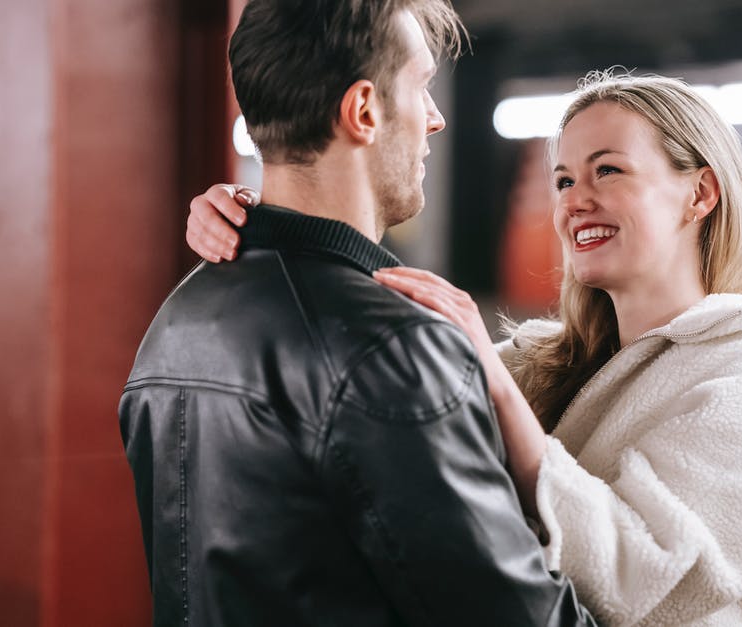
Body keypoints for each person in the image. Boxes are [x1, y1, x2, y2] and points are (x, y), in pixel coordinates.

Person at [186, 70, 742, 626]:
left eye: (607, 170)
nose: (574, 201)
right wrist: (261, 221)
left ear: (700, 192)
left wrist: (494, 383)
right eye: (562, 181)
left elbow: (645, 575)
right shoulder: (539, 363)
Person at [119, 1, 599, 626]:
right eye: (423, 86)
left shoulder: (175, 322)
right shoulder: (392, 348)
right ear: (364, 111)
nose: (436, 118)